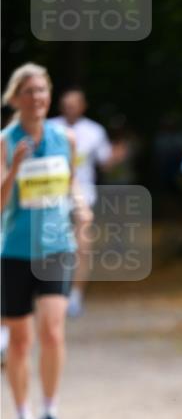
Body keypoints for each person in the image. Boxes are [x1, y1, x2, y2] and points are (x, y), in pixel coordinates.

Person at [1, 64, 82, 419]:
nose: (36, 97)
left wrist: (81, 207)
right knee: (19, 342)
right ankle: (22, 417)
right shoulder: (4, 141)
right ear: (16, 98)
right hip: (14, 251)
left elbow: (71, 187)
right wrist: (13, 168)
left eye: (42, 90)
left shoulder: (64, 137)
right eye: (28, 91)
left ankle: (49, 412)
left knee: (52, 331)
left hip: (55, 247)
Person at [49, 89, 117, 317]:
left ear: (83, 106)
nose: (70, 109)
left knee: (82, 247)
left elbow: (105, 161)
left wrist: (118, 154)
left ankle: (75, 295)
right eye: (66, 104)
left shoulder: (94, 131)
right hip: (53, 196)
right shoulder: (49, 128)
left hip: (83, 196)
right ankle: (53, 292)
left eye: (74, 104)